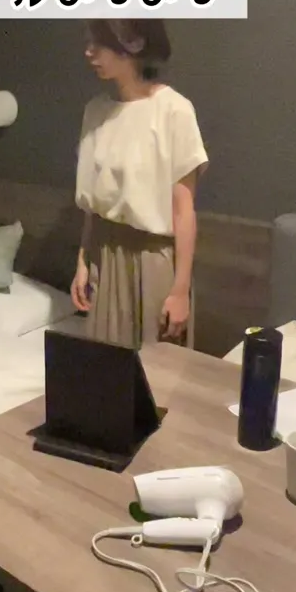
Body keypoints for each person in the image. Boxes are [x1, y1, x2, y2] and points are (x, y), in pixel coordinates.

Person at [71, 18, 208, 350]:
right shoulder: (96, 112)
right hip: (104, 254)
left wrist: (180, 291)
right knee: (106, 366)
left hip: (152, 259)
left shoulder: (174, 111)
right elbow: (94, 204)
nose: (89, 52)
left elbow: (183, 209)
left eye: (100, 42)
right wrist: (82, 262)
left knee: (157, 370)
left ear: (132, 43)